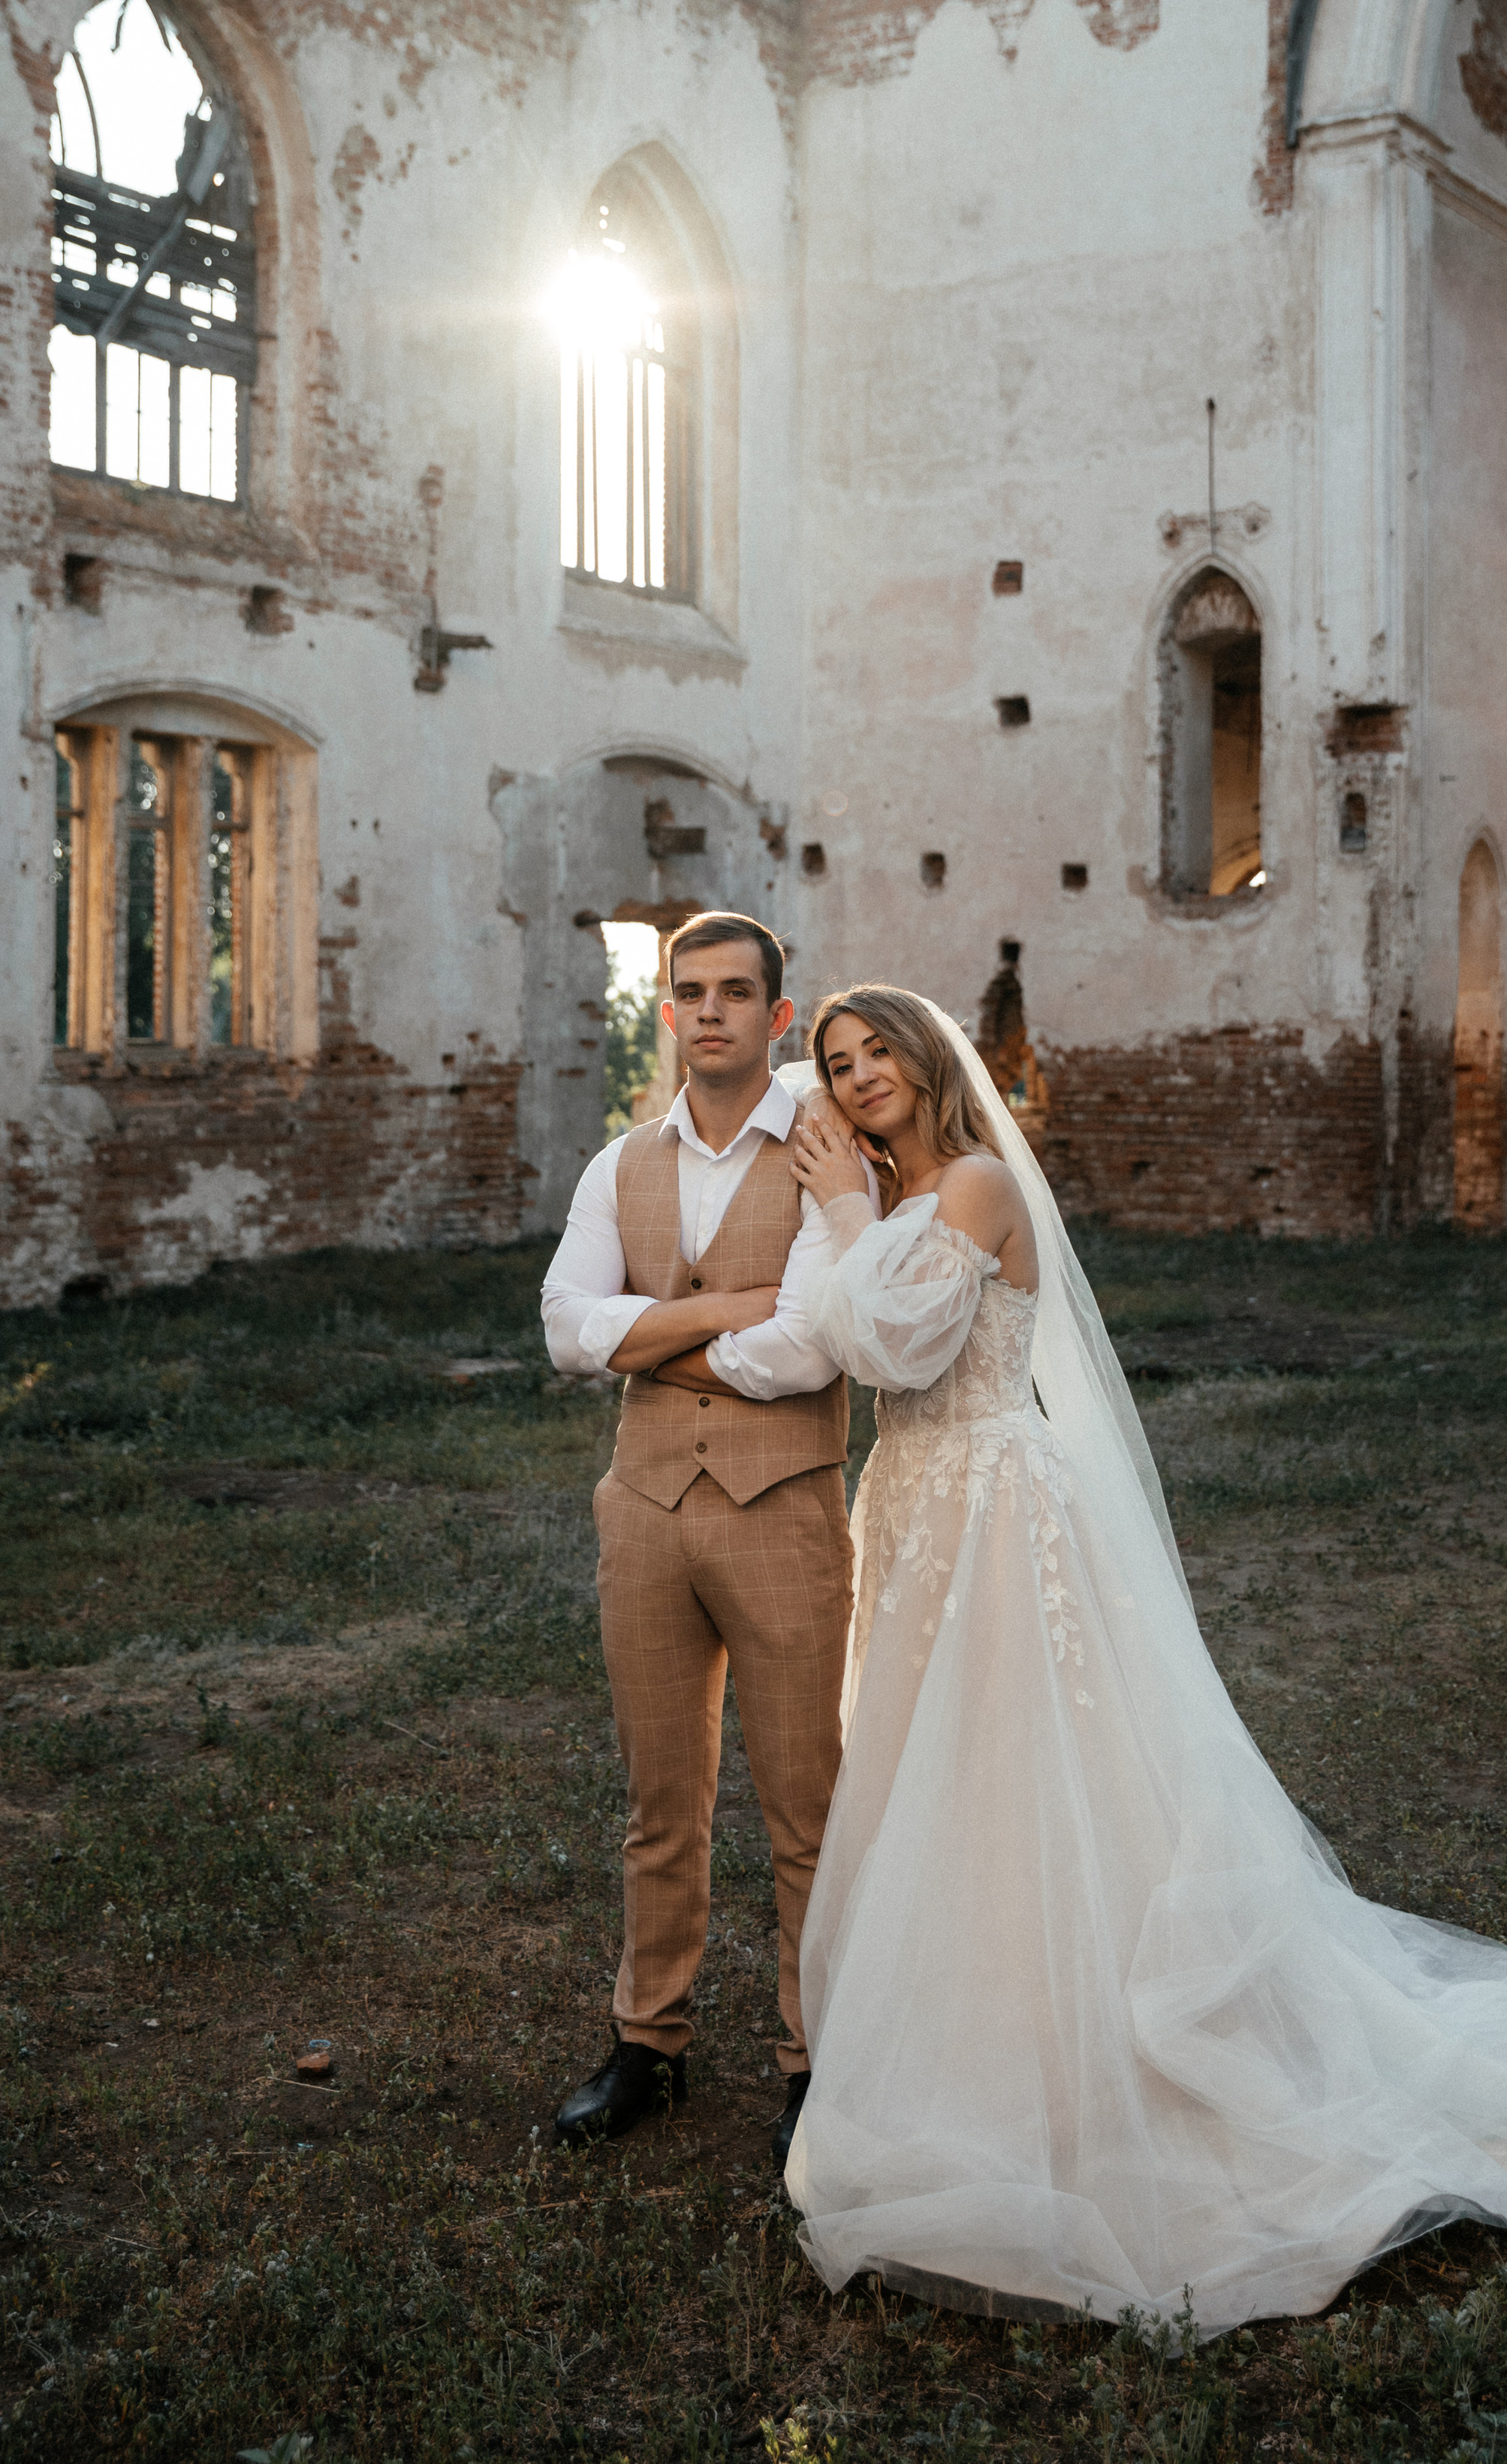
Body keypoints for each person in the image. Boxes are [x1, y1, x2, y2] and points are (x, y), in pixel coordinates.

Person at [779, 986, 1507, 2336]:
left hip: (995, 1507)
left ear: (923, 1062)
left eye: (876, 1055)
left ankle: (1099, 2067)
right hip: (912, 1506)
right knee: (940, 1784)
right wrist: (845, 1217)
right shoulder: (890, 1195)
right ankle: (975, 2049)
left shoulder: (970, 1184)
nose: (859, 1078)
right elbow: (830, 1338)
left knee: (1033, 1769)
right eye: (838, 1064)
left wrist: (846, 1215)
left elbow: (899, 1345)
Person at [540, 911, 872, 2167]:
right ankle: (649, 2043)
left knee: (806, 1805)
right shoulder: (619, 1163)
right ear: (668, 1010)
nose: (712, 1011)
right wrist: (730, 1305)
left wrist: (649, 1333)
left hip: (783, 1508)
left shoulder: (828, 1150)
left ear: (779, 1016)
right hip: (643, 1511)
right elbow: (564, 1328)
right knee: (658, 1802)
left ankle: (813, 2061)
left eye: (738, 992)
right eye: (691, 992)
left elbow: (810, 1349)